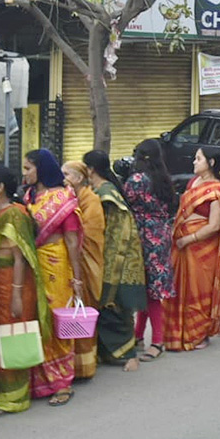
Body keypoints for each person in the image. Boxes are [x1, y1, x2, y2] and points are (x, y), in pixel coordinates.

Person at [22, 149, 84, 406]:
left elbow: (72, 242)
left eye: (28, 168)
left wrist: (77, 280)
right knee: (35, 320)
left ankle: (62, 383)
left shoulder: (64, 198)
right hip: (30, 265)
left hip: (56, 267)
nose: (24, 173)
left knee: (57, 320)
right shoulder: (27, 197)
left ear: (41, 169)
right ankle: (38, 381)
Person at [0, 165, 40, 415]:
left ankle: (13, 397)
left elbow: (19, 258)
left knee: (10, 336)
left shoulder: (15, 214)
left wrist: (16, 295)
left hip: (10, 284)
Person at [83, 151, 147, 371]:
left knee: (116, 306)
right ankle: (108, 352)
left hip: (116, 257)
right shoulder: (99, 191)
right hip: (105, 254)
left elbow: (117, 231)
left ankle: (130, 355)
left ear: (90, 170)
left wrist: (109, 261)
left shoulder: (106, 195)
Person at [167, 149, 220, 350]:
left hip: (203, 250)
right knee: (180, 291)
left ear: (210, 162)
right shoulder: (192, 183)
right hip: (183, 247)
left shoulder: (217, 190)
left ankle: (198, 335)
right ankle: (179, 335)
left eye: (198, 158)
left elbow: (214, 226)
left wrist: (188, 239)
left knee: (199, 290)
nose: (194, 162)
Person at [123, 138, 176, 362]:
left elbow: (126, 201)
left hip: (144, 237)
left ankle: (157, 341)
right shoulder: (163, 178)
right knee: (150, 289)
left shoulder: (137, 179)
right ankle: (138, 335)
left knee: (149, 292)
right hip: (161, 235)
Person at [62, 160, 103, 381]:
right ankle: (71, 362)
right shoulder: (70, 197)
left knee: (83, 308)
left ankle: (85, 365)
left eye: (66, 174)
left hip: (86, 262)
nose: (63, 178)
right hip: (70, 262)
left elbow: (91, 234)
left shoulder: (92, 200)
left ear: (78, 178)